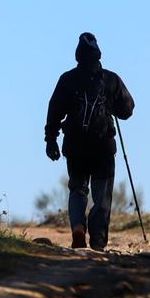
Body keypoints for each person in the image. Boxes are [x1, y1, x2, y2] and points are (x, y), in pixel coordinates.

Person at [44, 32, 135, 250]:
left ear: (78, 56)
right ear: (98, 56)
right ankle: (97, 241)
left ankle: (78, 226)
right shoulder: (111, 79)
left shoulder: (67, 79)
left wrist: (51, 140)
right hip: (103, 147)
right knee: (102, 195)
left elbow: (54, 111)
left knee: (78, 189)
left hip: (75, 146)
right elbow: (128, 110)